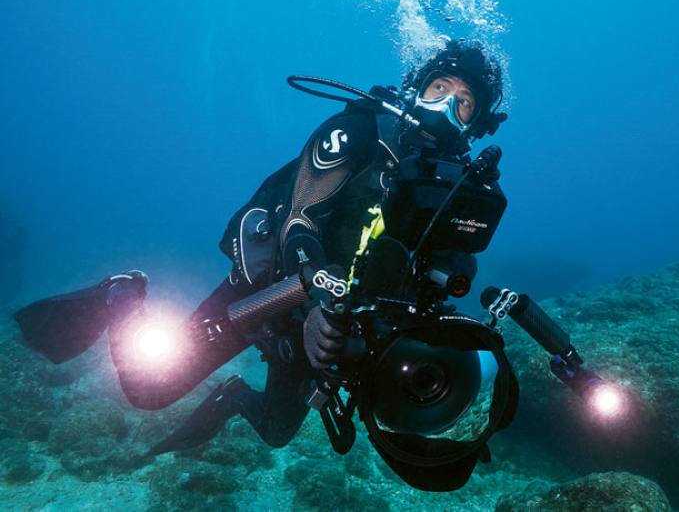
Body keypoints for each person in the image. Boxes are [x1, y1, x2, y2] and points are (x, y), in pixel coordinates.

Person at [15, 39, 509, 481]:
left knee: (276, 432)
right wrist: (316, 297)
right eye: (438, 88)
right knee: (147, 391)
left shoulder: (467, 189)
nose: (445, 106)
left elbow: (450, 272)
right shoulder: (356, 131)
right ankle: (120, 295)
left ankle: (232, 395)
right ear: (414, 89)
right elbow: (300, 221)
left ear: (477, 124)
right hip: (271, 289)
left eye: (463, 103)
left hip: (338, 327)